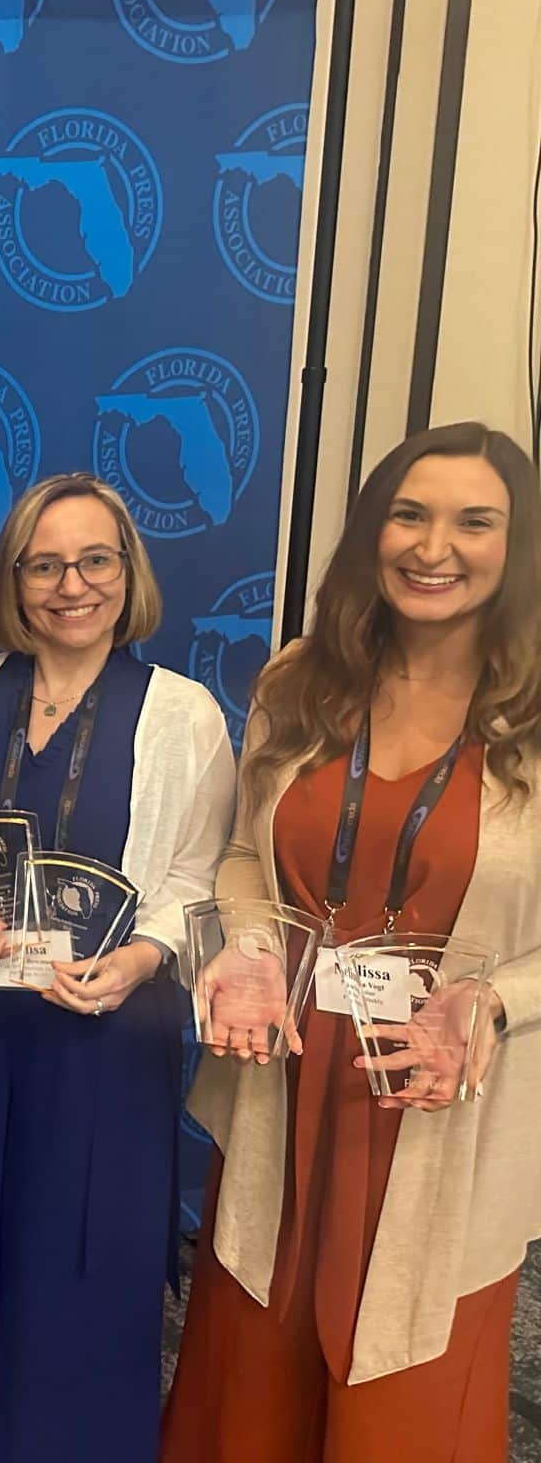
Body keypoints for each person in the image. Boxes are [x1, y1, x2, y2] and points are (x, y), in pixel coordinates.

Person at [162, 424, 541, 1461]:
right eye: (407, 515)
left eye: (474, 522)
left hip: (438, 1090)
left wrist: (492, 999)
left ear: (517, 546)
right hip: (285, 1078)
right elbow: (243, 855)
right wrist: (243, 948)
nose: (432, 547)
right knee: (251, 1375)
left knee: (406, 1401)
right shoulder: (301, 679)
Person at [0, 473, 235, 1461]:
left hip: (106, 1026)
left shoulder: (183, 715)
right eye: (42, 564)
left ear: (126, 573)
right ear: (13, 579)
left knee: (91, 1255)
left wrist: (137, 959)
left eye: (94, 560)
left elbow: (198, 874)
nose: (69, 584)